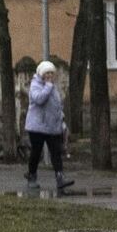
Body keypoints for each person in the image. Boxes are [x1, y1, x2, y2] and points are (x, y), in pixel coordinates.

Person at [25, 59, 73, 195]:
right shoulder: (36, 85)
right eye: (47, 73)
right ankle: (32, 176)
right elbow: (39, 99)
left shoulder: (52, 87)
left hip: (52, 126)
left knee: (56, 152)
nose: (49, 76)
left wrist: (62, 121)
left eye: (52, 73)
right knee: (36, 152)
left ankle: (60, 178)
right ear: (41, 74)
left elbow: (57, 106)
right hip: (37, 127)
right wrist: (48, 86)